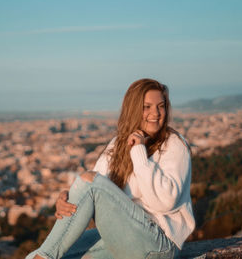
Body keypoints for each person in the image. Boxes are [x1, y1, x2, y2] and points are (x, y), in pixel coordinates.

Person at [26, 78, 195, 259]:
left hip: (160, 246)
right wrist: (66, 200)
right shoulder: (119, 143)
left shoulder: (174, 145)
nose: (156, 113)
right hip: (127, 237)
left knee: (87, 182)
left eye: (161, 106)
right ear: (133, 109)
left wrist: (139, 152)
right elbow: (96, 190)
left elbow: (165, 202)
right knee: (53, 254)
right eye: (147, 107)